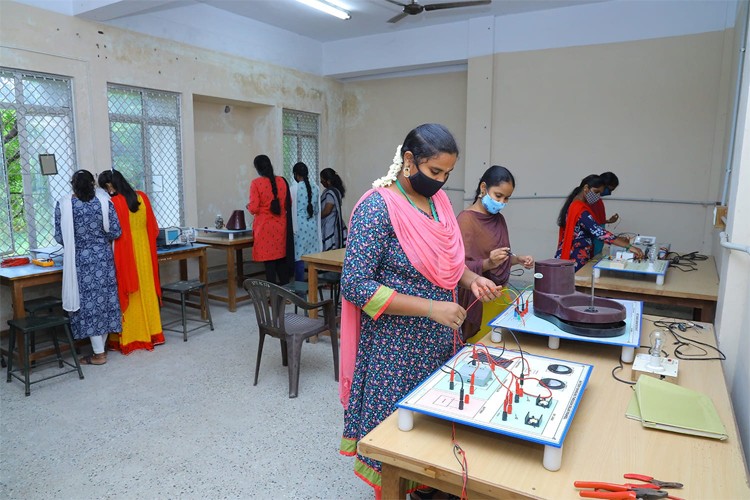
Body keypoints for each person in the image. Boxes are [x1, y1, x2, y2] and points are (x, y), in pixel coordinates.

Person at [338, 124, 502, 499]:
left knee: (433, 441)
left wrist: (471, 279)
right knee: (399, 447)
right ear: (409, 160)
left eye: (447, 174)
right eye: (434, 172)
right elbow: (355, 285)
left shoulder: (439, 204)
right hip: (395, 352)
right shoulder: (377, 207)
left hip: (440, 344)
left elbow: (445, 262)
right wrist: (429, 308)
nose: (441, 182)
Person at [457, 165, 534, 342]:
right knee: (480, 350)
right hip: (477, 298)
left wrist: (517, 259)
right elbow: (458, 268)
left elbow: (500, 260)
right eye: (498, 196)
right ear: (483, 188)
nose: (502, 202)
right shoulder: (466, 220)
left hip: (499, 295)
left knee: (501, 345)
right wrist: (487, 264)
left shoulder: (499, 219)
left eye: (507, 198)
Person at [54, 170, 122, 365]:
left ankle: (99, 354)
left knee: (88, 304)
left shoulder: (65, 204)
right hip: (103, 258)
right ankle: (100, 349)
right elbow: (116, 231)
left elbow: (60, 236)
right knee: (105, 300)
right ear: (93, 184)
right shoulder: (103, 202)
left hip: (80, 260)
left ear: (72, 185)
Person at [98, 170, 163, 354]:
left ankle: (133, 336)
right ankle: (152, 332)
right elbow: (153, 228)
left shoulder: (115, 202)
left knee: (129, 291)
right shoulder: (142, 197)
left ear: (110, 186)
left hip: (125, 253)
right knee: (146, 289)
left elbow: (111, 232)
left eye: (105, 186)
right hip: (145, 252)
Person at [556, 174, 643, 270]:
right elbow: (600, 233)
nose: (597, 196)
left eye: (599, 193)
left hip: (576, 253)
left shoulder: (576, 204)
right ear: (586, 188)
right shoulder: (579, 209)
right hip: (575, 257)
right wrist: (629, 246)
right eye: (596, 192)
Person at [247, 154, 292, 285]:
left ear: (257, 168)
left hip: (265, 228)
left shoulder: (256, 183)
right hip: (280, 227)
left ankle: (272, 297)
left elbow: (254, 208)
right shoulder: (282, 181)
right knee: (281, 261)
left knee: (269, 264)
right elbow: (288, 203)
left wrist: (249, 206)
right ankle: (286, 293)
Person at [290, 162, 321, 282]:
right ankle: (313, 287)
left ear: (296, 175)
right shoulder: (316, 188)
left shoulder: (294, 189)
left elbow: (291, 210)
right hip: (312, 228)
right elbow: (317, 210)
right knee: (313, 259)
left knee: (299, 261)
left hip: (299, 229)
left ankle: (300, 292)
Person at [588, 171, 620, 256]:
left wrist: (608, 221)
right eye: (609, 189)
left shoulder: (598, 201)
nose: (609, 193)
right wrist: (622, 243)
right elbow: (591, 225)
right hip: (591, 242)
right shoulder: (588, 202)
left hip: (598, 240)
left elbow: (596, 221)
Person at [320, 167, 346, 251]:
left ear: (328, 180)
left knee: (330, 248)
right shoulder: (335, 191)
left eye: (322, 180)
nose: (321, 182)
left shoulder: (331, 192)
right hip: (332, 223)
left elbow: (328, 210)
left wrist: (316, 217)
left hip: (330, 224)